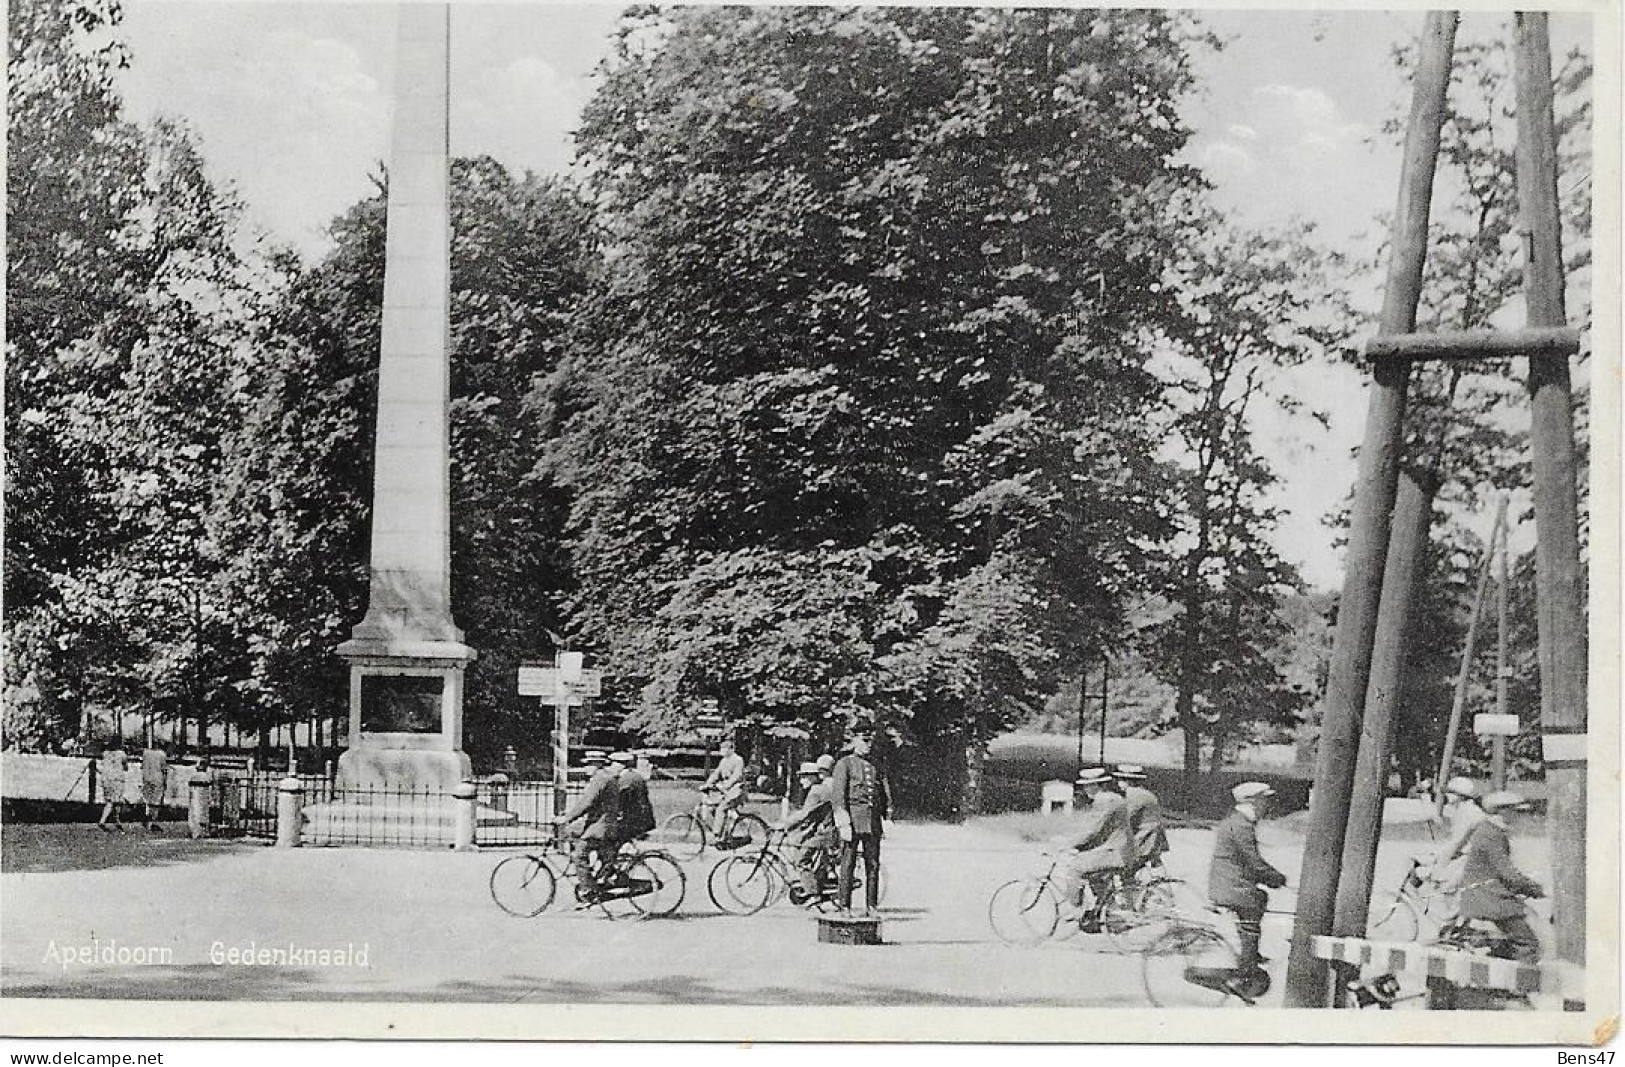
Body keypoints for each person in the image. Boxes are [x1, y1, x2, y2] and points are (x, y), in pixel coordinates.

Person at [1207, 781, 1288, 982]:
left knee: (1259, 899)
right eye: (1264, 800)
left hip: (1229, 883)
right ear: (1252, 802)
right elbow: (1253, 862)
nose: (1267, 805)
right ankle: (1247, 968)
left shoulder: (1236, 821)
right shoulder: (1241, 825)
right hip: (1231, 886)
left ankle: (1250, 952)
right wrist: (1275, 878)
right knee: (1253, 905)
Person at [1457, 790, 1544, 962]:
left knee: (1508, 940)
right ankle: (1522, 986)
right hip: (1488, 898)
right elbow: (1508, 873)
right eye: (1516, 811)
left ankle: (1500, 977)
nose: (1519, 816)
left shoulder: (1489, 830)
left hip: (1485, 895)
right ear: (1503, 811)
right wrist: (1536, 889)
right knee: (1529, 943)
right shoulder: (1491, 835)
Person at [1055, 767, 1131, 926]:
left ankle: (1075, 908)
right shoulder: (1114, 798)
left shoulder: (1104, 800)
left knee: (1076, 867)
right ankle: (1102, 910)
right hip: (1120, 848)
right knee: (1093, 873)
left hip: (1114, 850)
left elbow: (1094, 830)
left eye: (1088, 785)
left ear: (1098, 785)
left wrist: (1069, 843)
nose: (1085, 789)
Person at [830, 727, 889, 916]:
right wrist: (843, 822)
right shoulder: (845, 764)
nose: (867, 745)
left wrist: (886, 817)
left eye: (869, 741)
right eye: (863, 741)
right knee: (847, 864)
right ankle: (844, 906)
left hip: (872, 823)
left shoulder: (876, 765)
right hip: (852, 822)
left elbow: (884, 793)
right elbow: (838, 796)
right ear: (854, 741)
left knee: (873, 864)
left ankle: (871, 906)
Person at [560, 749, 623, 898]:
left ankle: (589, 890)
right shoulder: (607, 777)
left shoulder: (600, 779)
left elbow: (586, 802)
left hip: (601, 827)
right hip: (604, 824)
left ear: (596, 764)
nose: (585, 768)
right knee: (572, 833)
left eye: (588, 765)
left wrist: (567, 817)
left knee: (579, 854)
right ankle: (602, 876)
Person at [777, 762, 836, 901]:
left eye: (804, 777)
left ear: (813, 777)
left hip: (826, 833)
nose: (801, 780)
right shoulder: (819, 789)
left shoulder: (817, 792)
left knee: (802, 860)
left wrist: (783, 825)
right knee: (799, 843)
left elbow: (804, 814)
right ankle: (816, 881)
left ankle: (813, 894)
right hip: (825, 830)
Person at [1114, 764, 1168, 877]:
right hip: (1153, 837)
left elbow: (1125, 817)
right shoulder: (1144, 793)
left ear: (1128, 781)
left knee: (1119, 865)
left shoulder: (1134, 795)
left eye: (1121, 779)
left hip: (1146, 838)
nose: (1119, 783)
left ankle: (1129, 891)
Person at [701, 738, 746, 840]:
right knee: (713, 807)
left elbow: (736, 776)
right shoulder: (724, 761)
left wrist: (726, 785)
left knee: (721, 808)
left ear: (731, 749)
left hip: (737, 790)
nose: (722, 751)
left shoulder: (738, 760)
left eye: (724, 749)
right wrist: (707, 784)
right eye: (721, 749)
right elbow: (716, 774)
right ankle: (725, 830)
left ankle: (717, 835)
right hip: (727, 792)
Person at [96, 745, 129, 831]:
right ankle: (102, 821)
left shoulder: (105, 753)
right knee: (113, 801)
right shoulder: (122, 754)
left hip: (106, 779)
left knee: (114, 801)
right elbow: (126, 768)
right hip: (117, 779)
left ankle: (117, 821)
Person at [139, 741, 169, 831]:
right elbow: (164, 769)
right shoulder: (162, 754)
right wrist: (165, 781)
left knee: (148, 800)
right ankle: (152, 822)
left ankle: (147, 818)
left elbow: (142, 766)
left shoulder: (146, 753)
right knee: (156, 802)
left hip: (147, 778)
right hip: (157, 779)